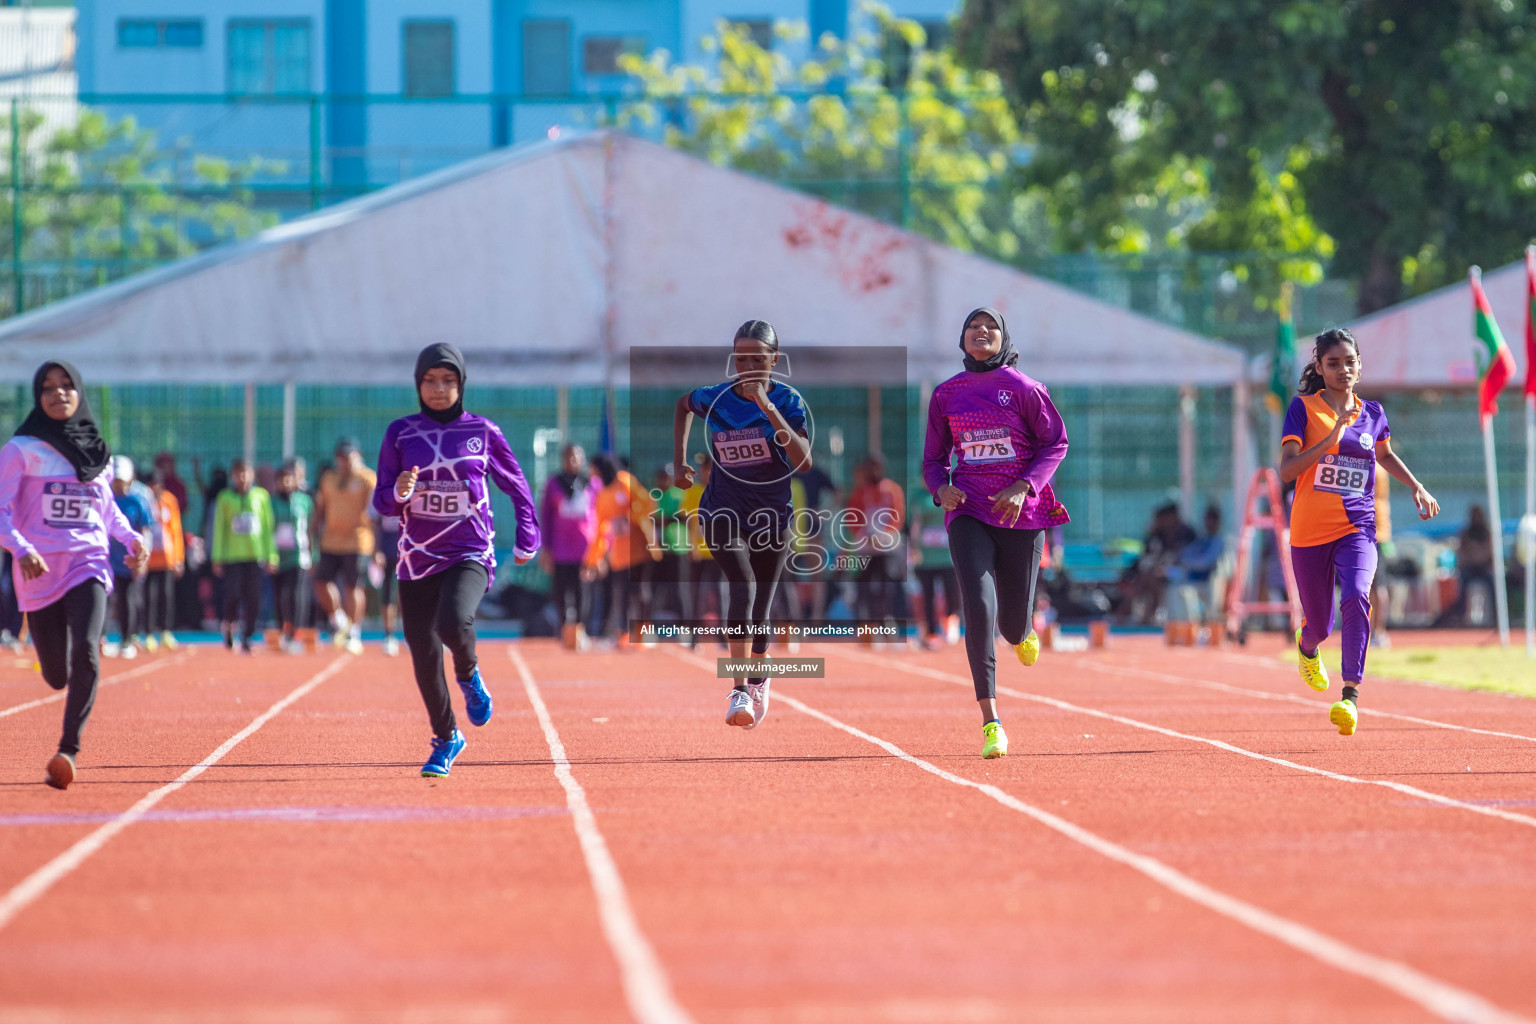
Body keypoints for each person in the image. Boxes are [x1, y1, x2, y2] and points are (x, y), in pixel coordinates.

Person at [374, 343, 539, 778]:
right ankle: (447, 738)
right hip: (415, 558)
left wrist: (528, 535)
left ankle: (468, 674)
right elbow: (382, 502)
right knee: (423, 653)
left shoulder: (483, 431)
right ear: (418, 384)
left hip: (469, 552)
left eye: (448, 380)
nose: (439, 388)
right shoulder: (400, 434)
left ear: (461, 384)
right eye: (430, 380)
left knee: (452, 621)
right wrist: (399, 492)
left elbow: (517, 486)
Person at [922, 307, 1070, 759]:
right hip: (968, 512)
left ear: (1003, 338)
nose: (981, 332)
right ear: (962, 338)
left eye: (991, 327)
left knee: (1009, 626)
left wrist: (1025, 486)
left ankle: (1023, 628)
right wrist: (940, 488)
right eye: (973, 326)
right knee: (978, 606)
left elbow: (1056, 443)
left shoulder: (1025, 388)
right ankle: (992, 720)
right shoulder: (946, 394)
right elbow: (932, 460)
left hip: (1020, 517)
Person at [1280, 327, 1439, 736]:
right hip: (1310, 532)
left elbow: (1383, 453)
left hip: (1357, 528)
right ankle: (1307, 645)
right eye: (1333, 363)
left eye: (1349, 362)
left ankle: (1350, 696)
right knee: (1321, 624)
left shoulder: (1374, 413)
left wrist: (1416, 486)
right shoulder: (1303, 409)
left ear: (1360, 366)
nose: (1342, 369)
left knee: (1357, 595)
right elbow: (1287, 471)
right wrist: (1331, 439)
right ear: (1320, 367)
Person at [0, 361, 148, 789]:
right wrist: (21, 549)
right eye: (48, 388)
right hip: (38, 570)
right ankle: (60, 676)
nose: (58, 394)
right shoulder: (21, 450)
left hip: (89, 562)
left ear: (80, 392)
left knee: (86, 649)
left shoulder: (95, 452)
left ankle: (67, 751)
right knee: (56, 675)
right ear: (37, 396)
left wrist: (133, 539)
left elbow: (107, 512)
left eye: (67, 386)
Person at [673, 319, 811, 728]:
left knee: (763, 608)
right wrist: (680, 458)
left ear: (775, 360)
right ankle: (737, 692)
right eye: (740, 358)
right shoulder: (714, 398)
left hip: (772, 514)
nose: (748, 366)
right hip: (722, 509)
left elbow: (804, 461)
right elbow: (682, 405)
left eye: (757, 358)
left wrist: (767, 409)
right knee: (742, 587)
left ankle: (759, 674)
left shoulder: (787, 401)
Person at [583, 454, 659, 644]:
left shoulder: (625, 481)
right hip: (619, 553)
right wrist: (591, 561)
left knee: (640, 591)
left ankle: (644, 633)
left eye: (594, 471)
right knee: (620, 594)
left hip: (639, 547)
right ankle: (623, 633)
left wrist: (628, 516)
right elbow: (600, 531)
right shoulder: (602, 495)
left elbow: (647, 503)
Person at [314, 438, 377, 654]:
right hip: (331, 540)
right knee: (321, 582)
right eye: (340, 457)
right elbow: (320, 509)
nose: (344, 461)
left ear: (357, 456)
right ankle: (340, 620)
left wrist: (376, 549)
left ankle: (354, 631)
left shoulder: (368, 478)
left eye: (348, 457)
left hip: (358, 541)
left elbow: (375, 514)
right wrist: (312, 533)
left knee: (353, 587)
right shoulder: (329, 479)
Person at [211, 458, 278, 653]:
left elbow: (267, 527)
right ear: (233, 476)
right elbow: (220, 528)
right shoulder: (224, 497)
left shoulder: (261, 496)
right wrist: (217, 557)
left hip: (255, 556)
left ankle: (248, 636)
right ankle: (229, 626)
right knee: (232, 594)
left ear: (252, 475)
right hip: (232, 556)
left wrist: (271, 555)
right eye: (238, 473)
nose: (242, 477)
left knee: (253, 597)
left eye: (246, 472)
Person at [538, 442, 597, 650]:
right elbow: (546, 517)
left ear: (582, 459)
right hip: (561, 549)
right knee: (560, 592)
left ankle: (580, 631)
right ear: (564, 459)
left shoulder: (591, 483)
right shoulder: (553, 483)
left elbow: (600, 517)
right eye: (569, 457)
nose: (573, 461)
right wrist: (545, 548)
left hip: (585, 548)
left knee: (583, 592)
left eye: (577, 456)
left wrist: (601, 550)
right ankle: (565, 629)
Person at [108, 457, 156, 658]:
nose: (119, 484)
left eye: (122, 479)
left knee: (128, 600)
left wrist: (142, 559)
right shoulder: (105, 498)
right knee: (103, 601)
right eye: (115, 479)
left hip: (128, 561)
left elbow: (145, 530)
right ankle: (100, 640)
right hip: (105, 560)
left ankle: (127, 639)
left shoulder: (138, 500)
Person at [909, 480, 960, 650]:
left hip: (948, 556)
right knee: (927, 595)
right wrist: (913, 548)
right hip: (926, 557)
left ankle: (950, 619)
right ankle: (930, 632)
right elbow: (913, 525)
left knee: (952, 591)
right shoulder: (917, 497)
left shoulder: (952, 491)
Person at [271, 458, 314, 653]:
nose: (286, 482)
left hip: (299, 556)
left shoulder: (304, 501)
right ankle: (283, 630)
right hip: (278, 556)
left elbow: (312, 530)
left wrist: (314, 553)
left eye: (290, 478)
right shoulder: (270, 502)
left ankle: (297, 632)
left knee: (296, 594)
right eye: (282, 479)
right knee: (281, 595)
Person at [144, 467, 186, 649]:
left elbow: (176, 530)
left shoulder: (169, 501)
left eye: (155, 484)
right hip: (148, 559)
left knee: (166, 596)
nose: (153, 488)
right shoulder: (142, 500)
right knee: (149, 597)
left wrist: (179, 558)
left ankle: (166, 631)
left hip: (167, 559)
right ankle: (149, 633)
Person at [1434, 505, 1496, 628]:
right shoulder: (1466, 533)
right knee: (1462, 582)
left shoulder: (1487, 533)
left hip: (1484, 568)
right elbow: (1462, 553)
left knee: (1494, 584)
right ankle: (1460, 615)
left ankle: (1497, 615)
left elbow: (1490, 553)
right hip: (1469, 568)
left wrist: (1479, 555)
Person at [375, 512, 402, 656]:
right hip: (387, 551)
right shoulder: (385, 493)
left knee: (412, 594)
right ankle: (389, 635)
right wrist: (376, 550)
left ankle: (416, 634)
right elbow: (376, 523)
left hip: (410, 552)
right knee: (388, 593)